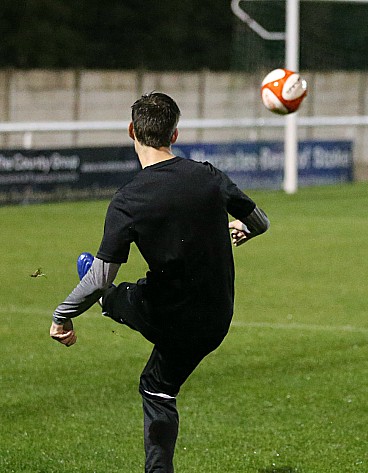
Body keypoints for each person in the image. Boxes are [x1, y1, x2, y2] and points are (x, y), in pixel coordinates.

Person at [49, 92, 270, 472]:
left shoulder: (129, 198)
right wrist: (243, 231)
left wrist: (61, 315)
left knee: (109, 292)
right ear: (176, 134)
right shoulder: (209, 176)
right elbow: (260, 221)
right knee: (158, 386)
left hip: (167, 315)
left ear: (131, 131)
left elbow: (103, 275)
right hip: (217, 318)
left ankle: (106, 304)